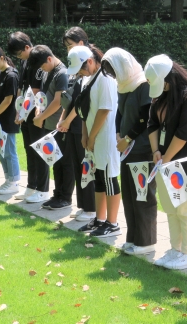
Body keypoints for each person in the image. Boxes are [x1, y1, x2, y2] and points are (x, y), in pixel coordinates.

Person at [144, 54, 187, 269]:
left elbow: (185, 133)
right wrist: (155, 152)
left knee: (186, 210)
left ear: (170, 77)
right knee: (171, 210)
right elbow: (152, 125)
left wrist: (165, 158)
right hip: (165, 164)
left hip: (185, 165)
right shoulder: (160, 96)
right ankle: (176, 250)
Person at [102, 48, 157, 255]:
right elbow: (119, 112)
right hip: (126, 150)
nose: (114, 76)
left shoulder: (143, 85)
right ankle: (133, 238)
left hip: (141, 149)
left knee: (142, 195)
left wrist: (127, 138)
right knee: (129, 196)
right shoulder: (122, 85)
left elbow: (145, 117)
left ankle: (146, 242)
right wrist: (118, 134)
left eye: (114, 70)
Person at [71, 46, 122, 238]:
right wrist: (85, 135)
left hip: (105, 138)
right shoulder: (86, 79)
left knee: (109, 179)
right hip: (93, 138)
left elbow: (104, 110)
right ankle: (100, 219)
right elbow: (85, 110)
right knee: (98, 179)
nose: (80, 72)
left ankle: (113, 222)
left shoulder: (106, 79)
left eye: (82, 68)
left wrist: (91, 137)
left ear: (90, 61)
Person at [7, 32, 50, 201]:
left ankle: (43, 189)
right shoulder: (24, 62)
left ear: (27, 47)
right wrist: (19, 111)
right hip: (25, 110)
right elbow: (23, 88)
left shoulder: (38, 61)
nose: (19, 57)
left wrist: (24, 112)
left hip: (37, 111)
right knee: (29, 149)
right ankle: (32, 185)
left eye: (19, 53)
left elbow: (36, 91)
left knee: (40, 150)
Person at [62, 27, 97, 222]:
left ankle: (91, 208)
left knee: (87, 166)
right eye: (66, 47)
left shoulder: (89, 68)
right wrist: (63, 119)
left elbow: (82, 101)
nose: (68, 50)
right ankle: (83, 205)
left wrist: (67, 120)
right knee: (78, 166)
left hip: (82, 124)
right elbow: (70, 98)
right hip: (74, 126)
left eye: (71, 45)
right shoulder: (75, 68)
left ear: (82, 43)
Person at [28, 45, 70, 206]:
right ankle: (56, 195)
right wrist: (38, 112)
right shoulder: (47, 71)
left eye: (42, 65)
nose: (42, 69)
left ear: (50, 59)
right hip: (48, 124)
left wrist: (40, 118)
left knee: (64, 164)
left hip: (59, 125)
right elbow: (43, 96)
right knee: (54, 161)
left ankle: (65, 197)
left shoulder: (62, 73)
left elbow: (58, 102)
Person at [0, 46, 21, 195]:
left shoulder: (11, 75)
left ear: (2, 58)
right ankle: (8, 179)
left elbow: (8, 101)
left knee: (9, 151)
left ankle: (14, 181)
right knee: (1, 151)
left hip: (7, 120)